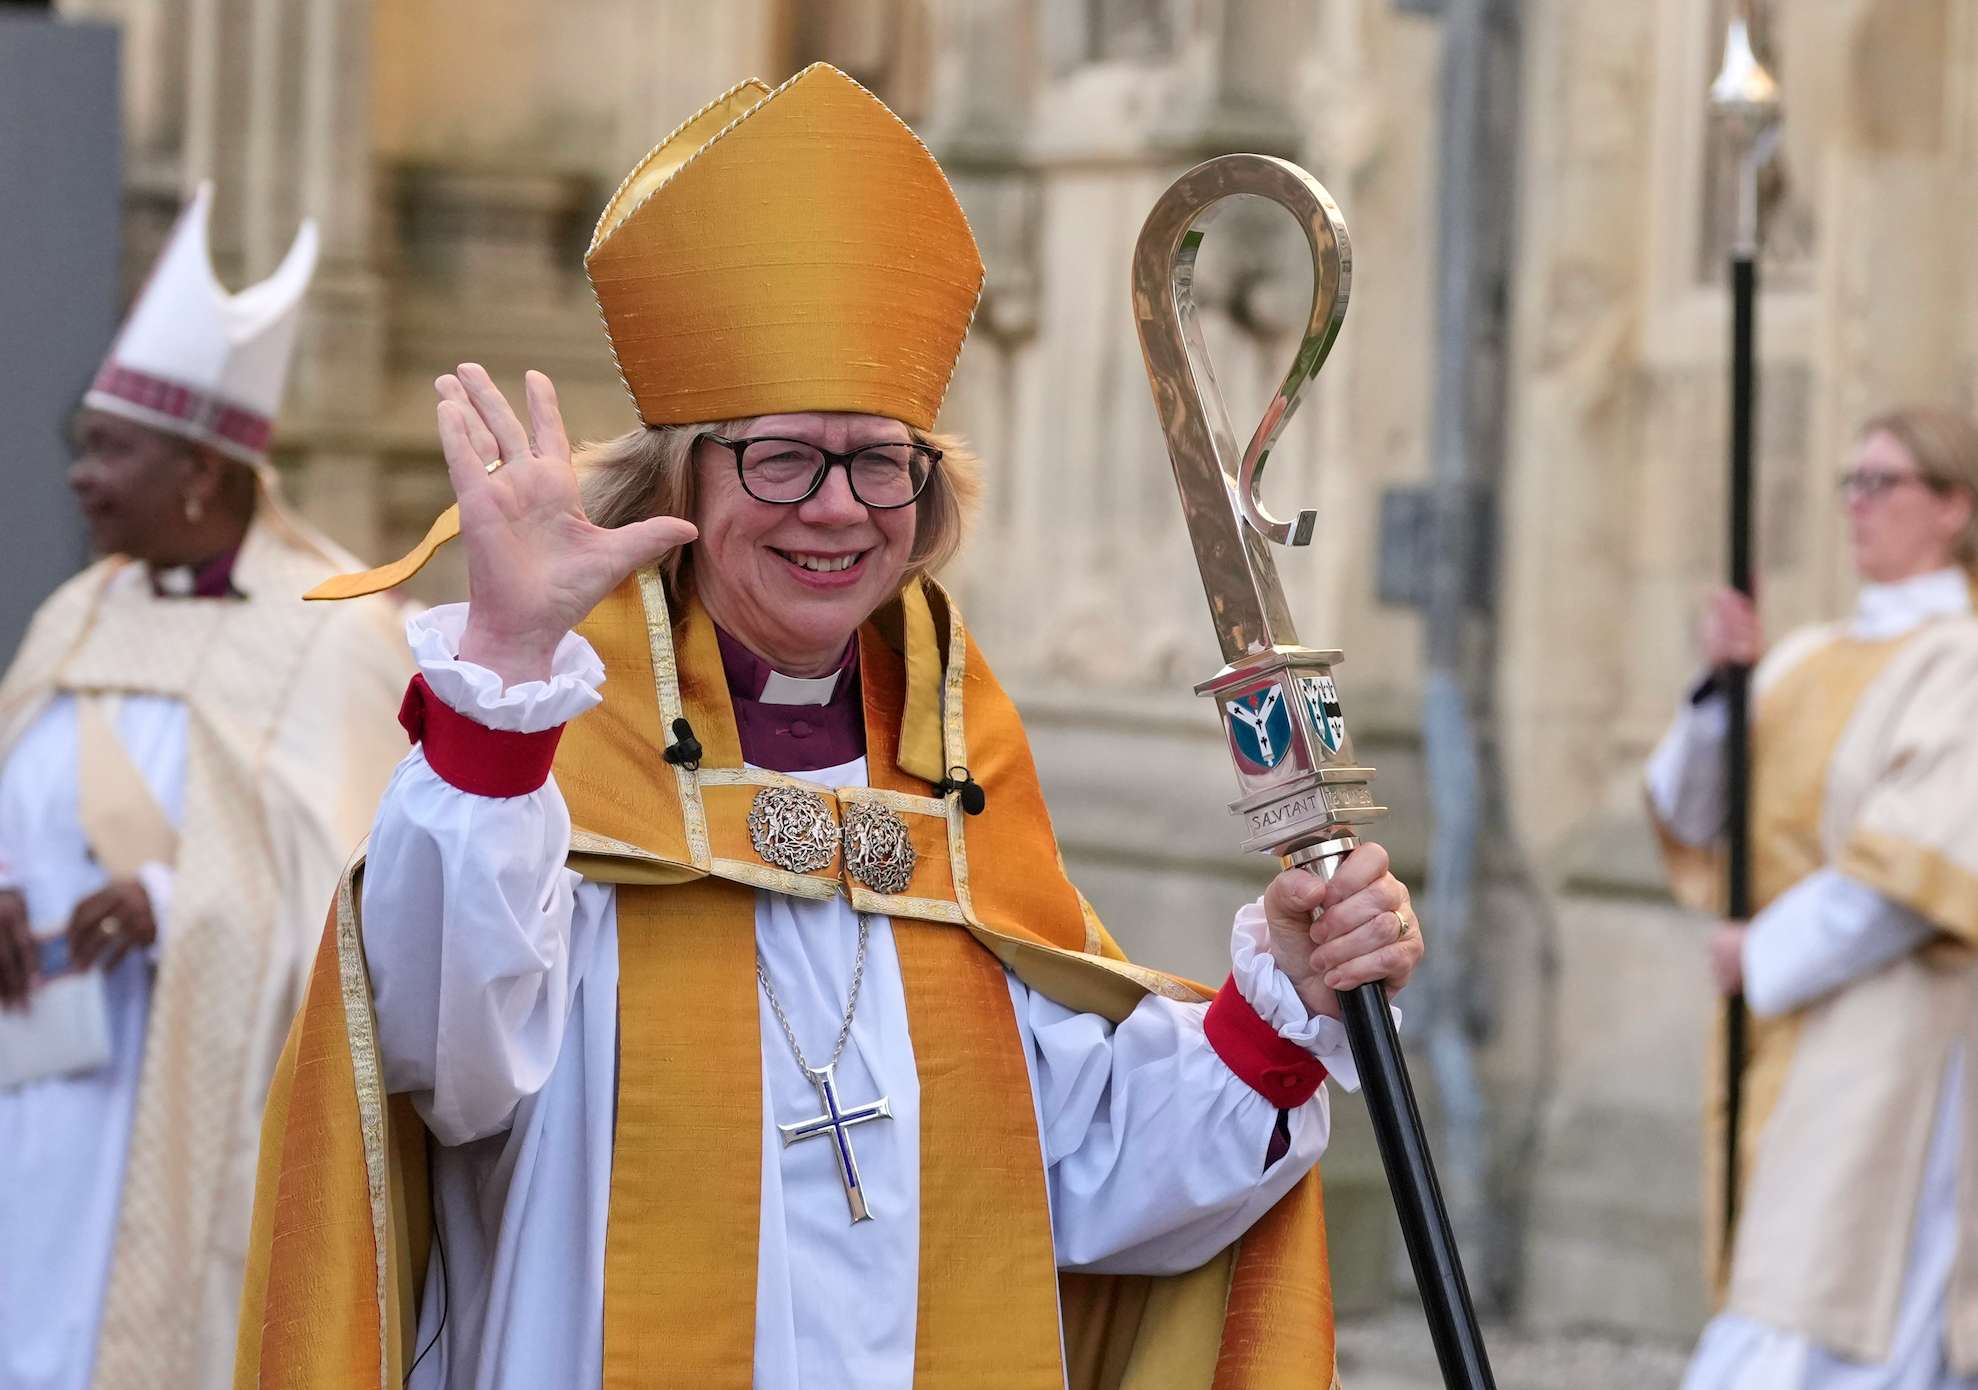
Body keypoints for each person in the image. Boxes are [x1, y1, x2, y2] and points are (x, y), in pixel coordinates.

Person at [237, 66, 1425, 1389]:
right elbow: (440, 1054)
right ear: (683, 474)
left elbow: (1078, 1173)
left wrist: (1287, 1004)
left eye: (879, 460)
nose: (839, 508)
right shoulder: (548, 771)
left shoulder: (952, 780)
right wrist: (507, 668)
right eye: (783, 457)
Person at [0, 183, 413, 1390]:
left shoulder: (332, 629)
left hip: (189, 1099)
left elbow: (360, 886)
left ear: (198, 471)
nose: (80, 476)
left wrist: (176, 912)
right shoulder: (79, 612)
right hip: (39, 1077)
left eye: (109, 449)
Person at [1647, 405, 1978, 1388]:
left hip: (1892, 1022)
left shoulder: (1962, 660)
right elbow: (1698, 811)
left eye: (1884, 483)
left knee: (1831, 1300)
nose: (1856, 504)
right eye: (1850, 481)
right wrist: (1719, 685)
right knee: (1786, 1275)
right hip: (1783, 1021)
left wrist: (1767, 954)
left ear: (1954, 508)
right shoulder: (1802, 654)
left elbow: (1918, 866)